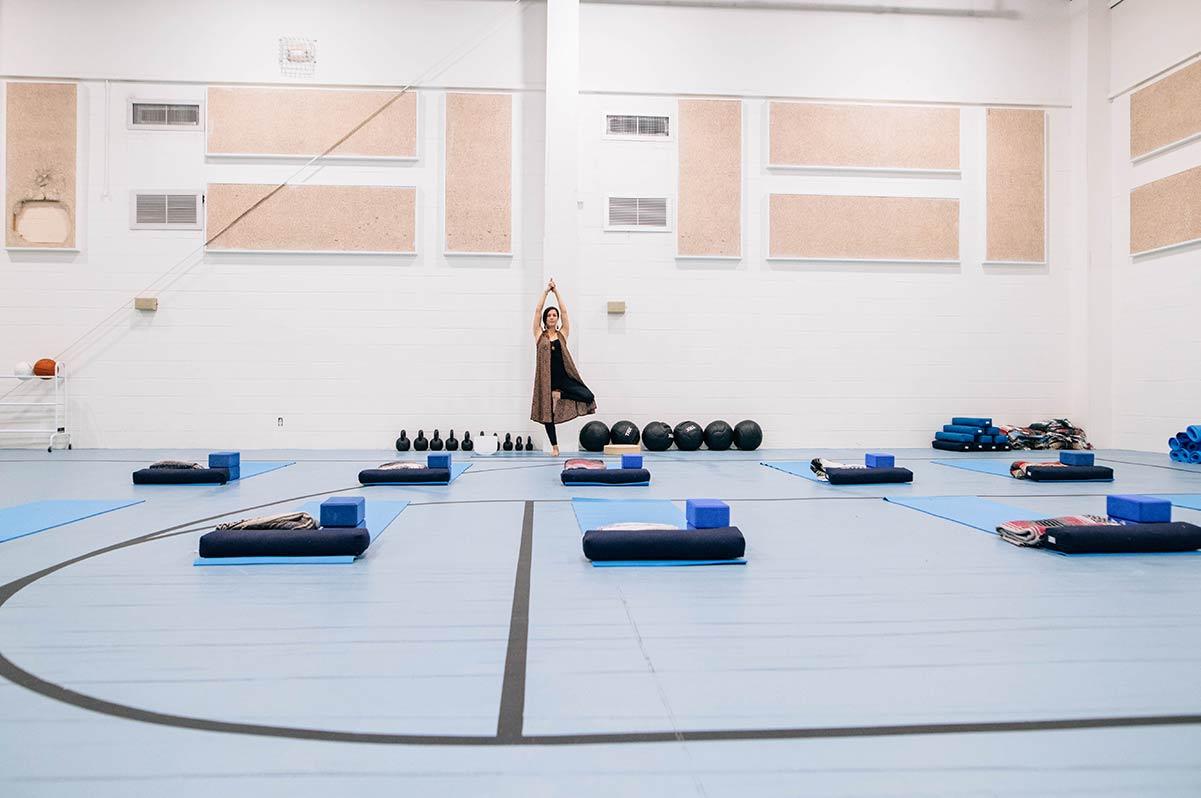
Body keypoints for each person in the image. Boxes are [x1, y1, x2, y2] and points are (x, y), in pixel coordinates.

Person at [530, 279, 596, 456]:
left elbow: (565, 311)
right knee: (547, 414)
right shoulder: (539, 335)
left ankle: (560, 395)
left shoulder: (562, 334)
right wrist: (546, 291)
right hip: (547, 381)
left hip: (564, 379)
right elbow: (537, 310)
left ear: (557, 319)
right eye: (549, 315)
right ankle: (555, 446)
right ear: (545, 319)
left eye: (554, 315)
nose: (552, 317)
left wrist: (556, 291)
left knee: (588, 396)